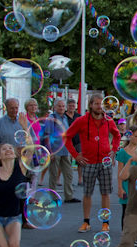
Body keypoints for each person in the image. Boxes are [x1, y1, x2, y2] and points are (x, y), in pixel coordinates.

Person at [64, 94, 121, 233]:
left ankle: (105, 223)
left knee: (105, 193)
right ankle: (86, 221)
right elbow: (67, 137)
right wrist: (75, 155)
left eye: (101, 104)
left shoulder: (108, 120)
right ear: (90, 105)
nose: (99, 106)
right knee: (87, 193)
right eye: (96, 104)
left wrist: (113, 150)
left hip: (105, 161)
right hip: (88, 161)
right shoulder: (81, 120)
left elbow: (117, 135)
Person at [45, 99, 79, 203]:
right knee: (54, 175)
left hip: (66, 150)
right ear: (55, 107)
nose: (61, 108)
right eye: (59, 106)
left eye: (63, 106)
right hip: (55, 150)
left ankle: (69, 196)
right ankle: (53, 197)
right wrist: (50, 151)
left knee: (68, 174)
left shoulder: (65, 118)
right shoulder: (52, 118)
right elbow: (47, 135)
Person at [115, 126, 137, 230]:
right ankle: (125, 236)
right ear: (129, 136)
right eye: (136, 136)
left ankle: (136, 235)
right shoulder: (123, 152)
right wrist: (120, 188)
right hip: (127, 185)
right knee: (126, 212)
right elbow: (119, 172)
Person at [64, 98, 83, 186]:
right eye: (70, 105)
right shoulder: (64, 116)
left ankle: (80, 179)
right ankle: (62, 180)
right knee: (66, 161)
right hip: (67, 141)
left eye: (73, 105)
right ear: (67, 106)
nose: (71, 107)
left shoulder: (78, 116)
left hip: (78, 140)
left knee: (80, 161)